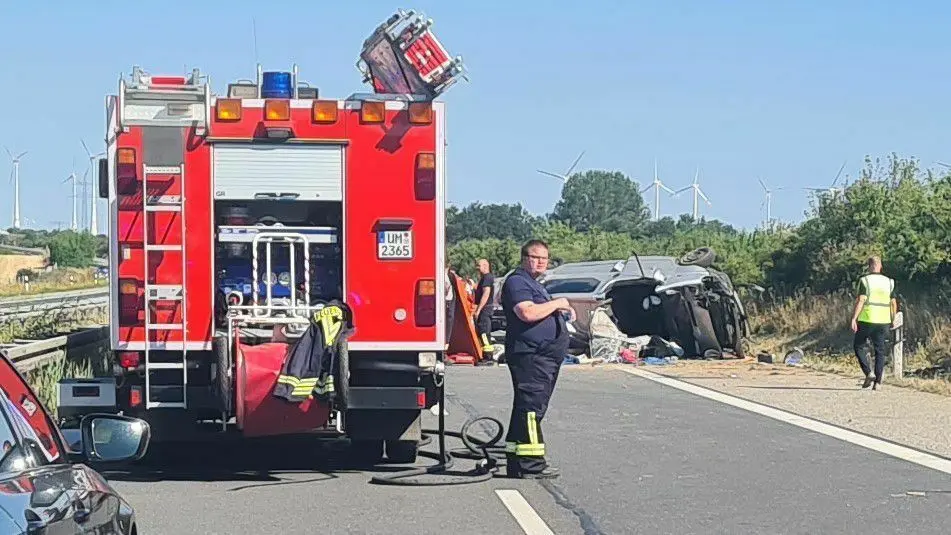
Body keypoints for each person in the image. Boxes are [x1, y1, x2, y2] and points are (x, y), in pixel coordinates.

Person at [500, 239, 574, 479]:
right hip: (532, 355)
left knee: (526, 406)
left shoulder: (533, 284)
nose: (541, 262)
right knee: (532, 408)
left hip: (544, 355)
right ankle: (530, 463)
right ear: (524, 258)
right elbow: (527, 312)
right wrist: (558, 303)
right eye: (535, 257)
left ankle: (516, 458)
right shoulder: (517, 282)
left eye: (544, 258)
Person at [850, 255, 897, 390]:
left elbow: (861, 300)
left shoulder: (865, 281)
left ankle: (868, 372)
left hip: (867, 319)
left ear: (869, 266)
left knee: (858, 346)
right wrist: (893, 319)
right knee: (880, 351)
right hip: (883, 320)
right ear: (880, 266)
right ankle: (878, 382)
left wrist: (854, 318)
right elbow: (893, 303)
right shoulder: (889, 282)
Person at [473, 258, 496, 362]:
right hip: (485, 308)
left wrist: (478, 310)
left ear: (485, 266)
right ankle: (485, 354)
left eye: (478, 266)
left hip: (485, 309)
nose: (477, 268)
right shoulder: (485, 278)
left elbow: (486, 293)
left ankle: (488, 356)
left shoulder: (487, 278)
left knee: (484, 332)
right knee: (483, 331)